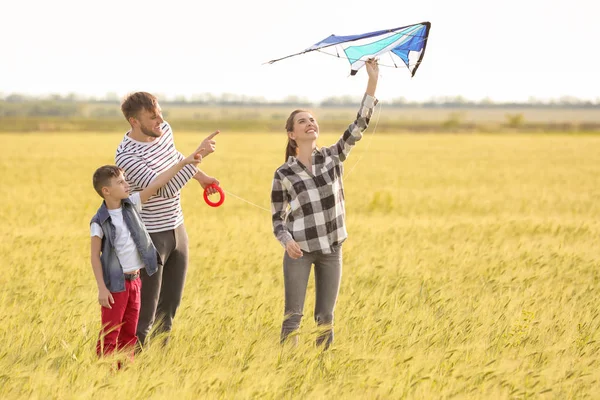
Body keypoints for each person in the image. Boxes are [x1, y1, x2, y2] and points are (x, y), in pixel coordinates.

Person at [271, 59, 379, 348]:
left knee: (325, 317)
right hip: (300, 251)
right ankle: (287, 370)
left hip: (332, 248)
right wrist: (286, 241)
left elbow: (360, 124)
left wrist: (372, 81)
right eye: (303, 121)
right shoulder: (284, 173)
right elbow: (277, 219)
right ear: (292, 134)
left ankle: (321, 371)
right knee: (293, 316)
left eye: (312, 120)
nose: (310, 124)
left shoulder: (333, 156)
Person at [115, 92, 220, 348]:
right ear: (134, 121)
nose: (160, 119)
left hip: (177, 229)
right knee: (145, 315)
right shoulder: (126, 157)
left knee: (170, 307)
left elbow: (174, 158)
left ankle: (160, 367)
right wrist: (197, 157)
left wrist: (201, 175)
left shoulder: (164, 131)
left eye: (160, 112)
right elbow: (164, 187)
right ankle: (130, 370)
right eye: (152, 117)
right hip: (150, 237)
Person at [91, 144, 207, 357]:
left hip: (135, 282)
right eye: (121, 182)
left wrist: (184, 163)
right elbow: (95, 257)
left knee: (129, 333)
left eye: (126, 180)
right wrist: (102, 288)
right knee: (110, 333)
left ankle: (126, 370)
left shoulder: (133, 204)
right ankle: (103, 372)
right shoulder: (99, 222)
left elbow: (158, 183)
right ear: (106, 191)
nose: (127, 185)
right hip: (115, 286)